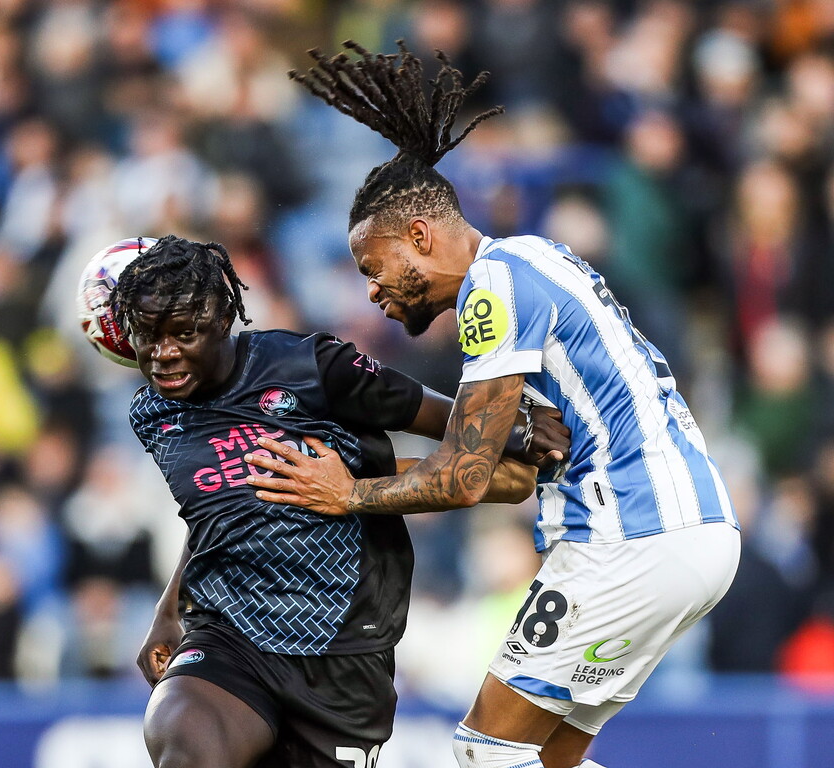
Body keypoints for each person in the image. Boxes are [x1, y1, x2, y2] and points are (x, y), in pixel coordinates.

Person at [243, 42, 742, 768]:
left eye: (374, 269)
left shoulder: (492, 290)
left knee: (485, 752)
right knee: (547, 760)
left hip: (631, 536)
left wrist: (346, 493)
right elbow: (512, 470)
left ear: (419, 236)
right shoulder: (537, 260)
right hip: (689, 530)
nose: (374, 294)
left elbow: (466, 475)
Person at [109, 235, 570, 768]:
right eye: (148, 336)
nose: (164, 354)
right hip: (229, 633)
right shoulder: (153, 414)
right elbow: (220, 513)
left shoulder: (312, 367)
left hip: (344, 644)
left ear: (221, 321)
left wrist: (517, 430)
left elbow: (464, 432)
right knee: (182, 733)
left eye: (182, 334)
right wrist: (169, 611)